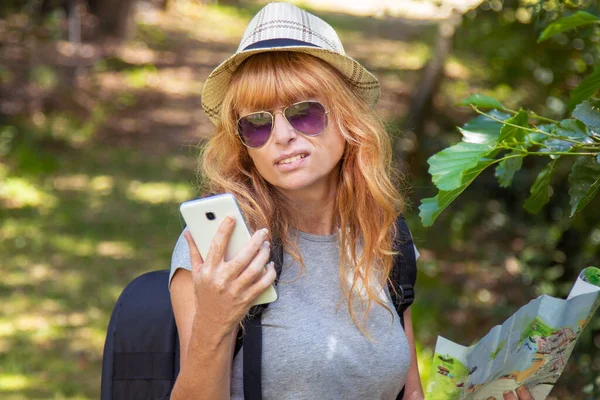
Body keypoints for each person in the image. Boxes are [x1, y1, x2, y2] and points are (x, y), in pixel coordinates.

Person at [168, 3, 532, 400]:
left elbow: (409, 394)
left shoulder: (386, 238)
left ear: (347, 116)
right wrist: (214, 323)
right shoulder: (221, 248)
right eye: (257, 123)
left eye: (304, 113)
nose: (283, 135)